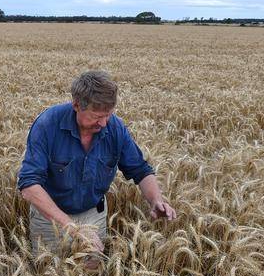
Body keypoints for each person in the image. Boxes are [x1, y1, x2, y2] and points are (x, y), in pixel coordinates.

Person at [17, 70, 176, 262]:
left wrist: (155, 200)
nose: (103, 123)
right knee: (50, 275)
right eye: (96, 116)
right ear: (76, 104)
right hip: (50, 216)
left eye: (108, 115)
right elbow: (29, 186)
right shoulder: (47, 125)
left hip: (94, 215)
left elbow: (140, 170)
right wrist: (73, 228)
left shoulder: (114, 127)